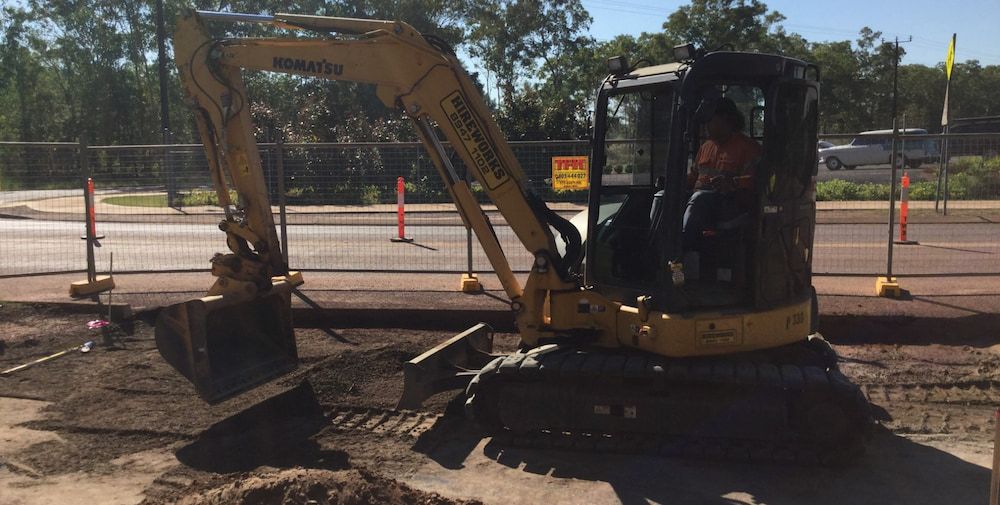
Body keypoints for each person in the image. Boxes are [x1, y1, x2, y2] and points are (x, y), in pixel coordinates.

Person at [682, 97, 762, 250]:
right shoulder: (706, 147)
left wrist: (733, 183)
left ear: (725, 119)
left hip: (730, 204)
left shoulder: (749, 148)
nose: (705, 125)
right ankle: (658, 250)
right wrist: (674, 182)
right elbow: (692, 177)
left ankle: (682, 248)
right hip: (700, 202)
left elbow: (756, 181)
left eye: (709, 120)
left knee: (698, 199)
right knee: (663, 196)